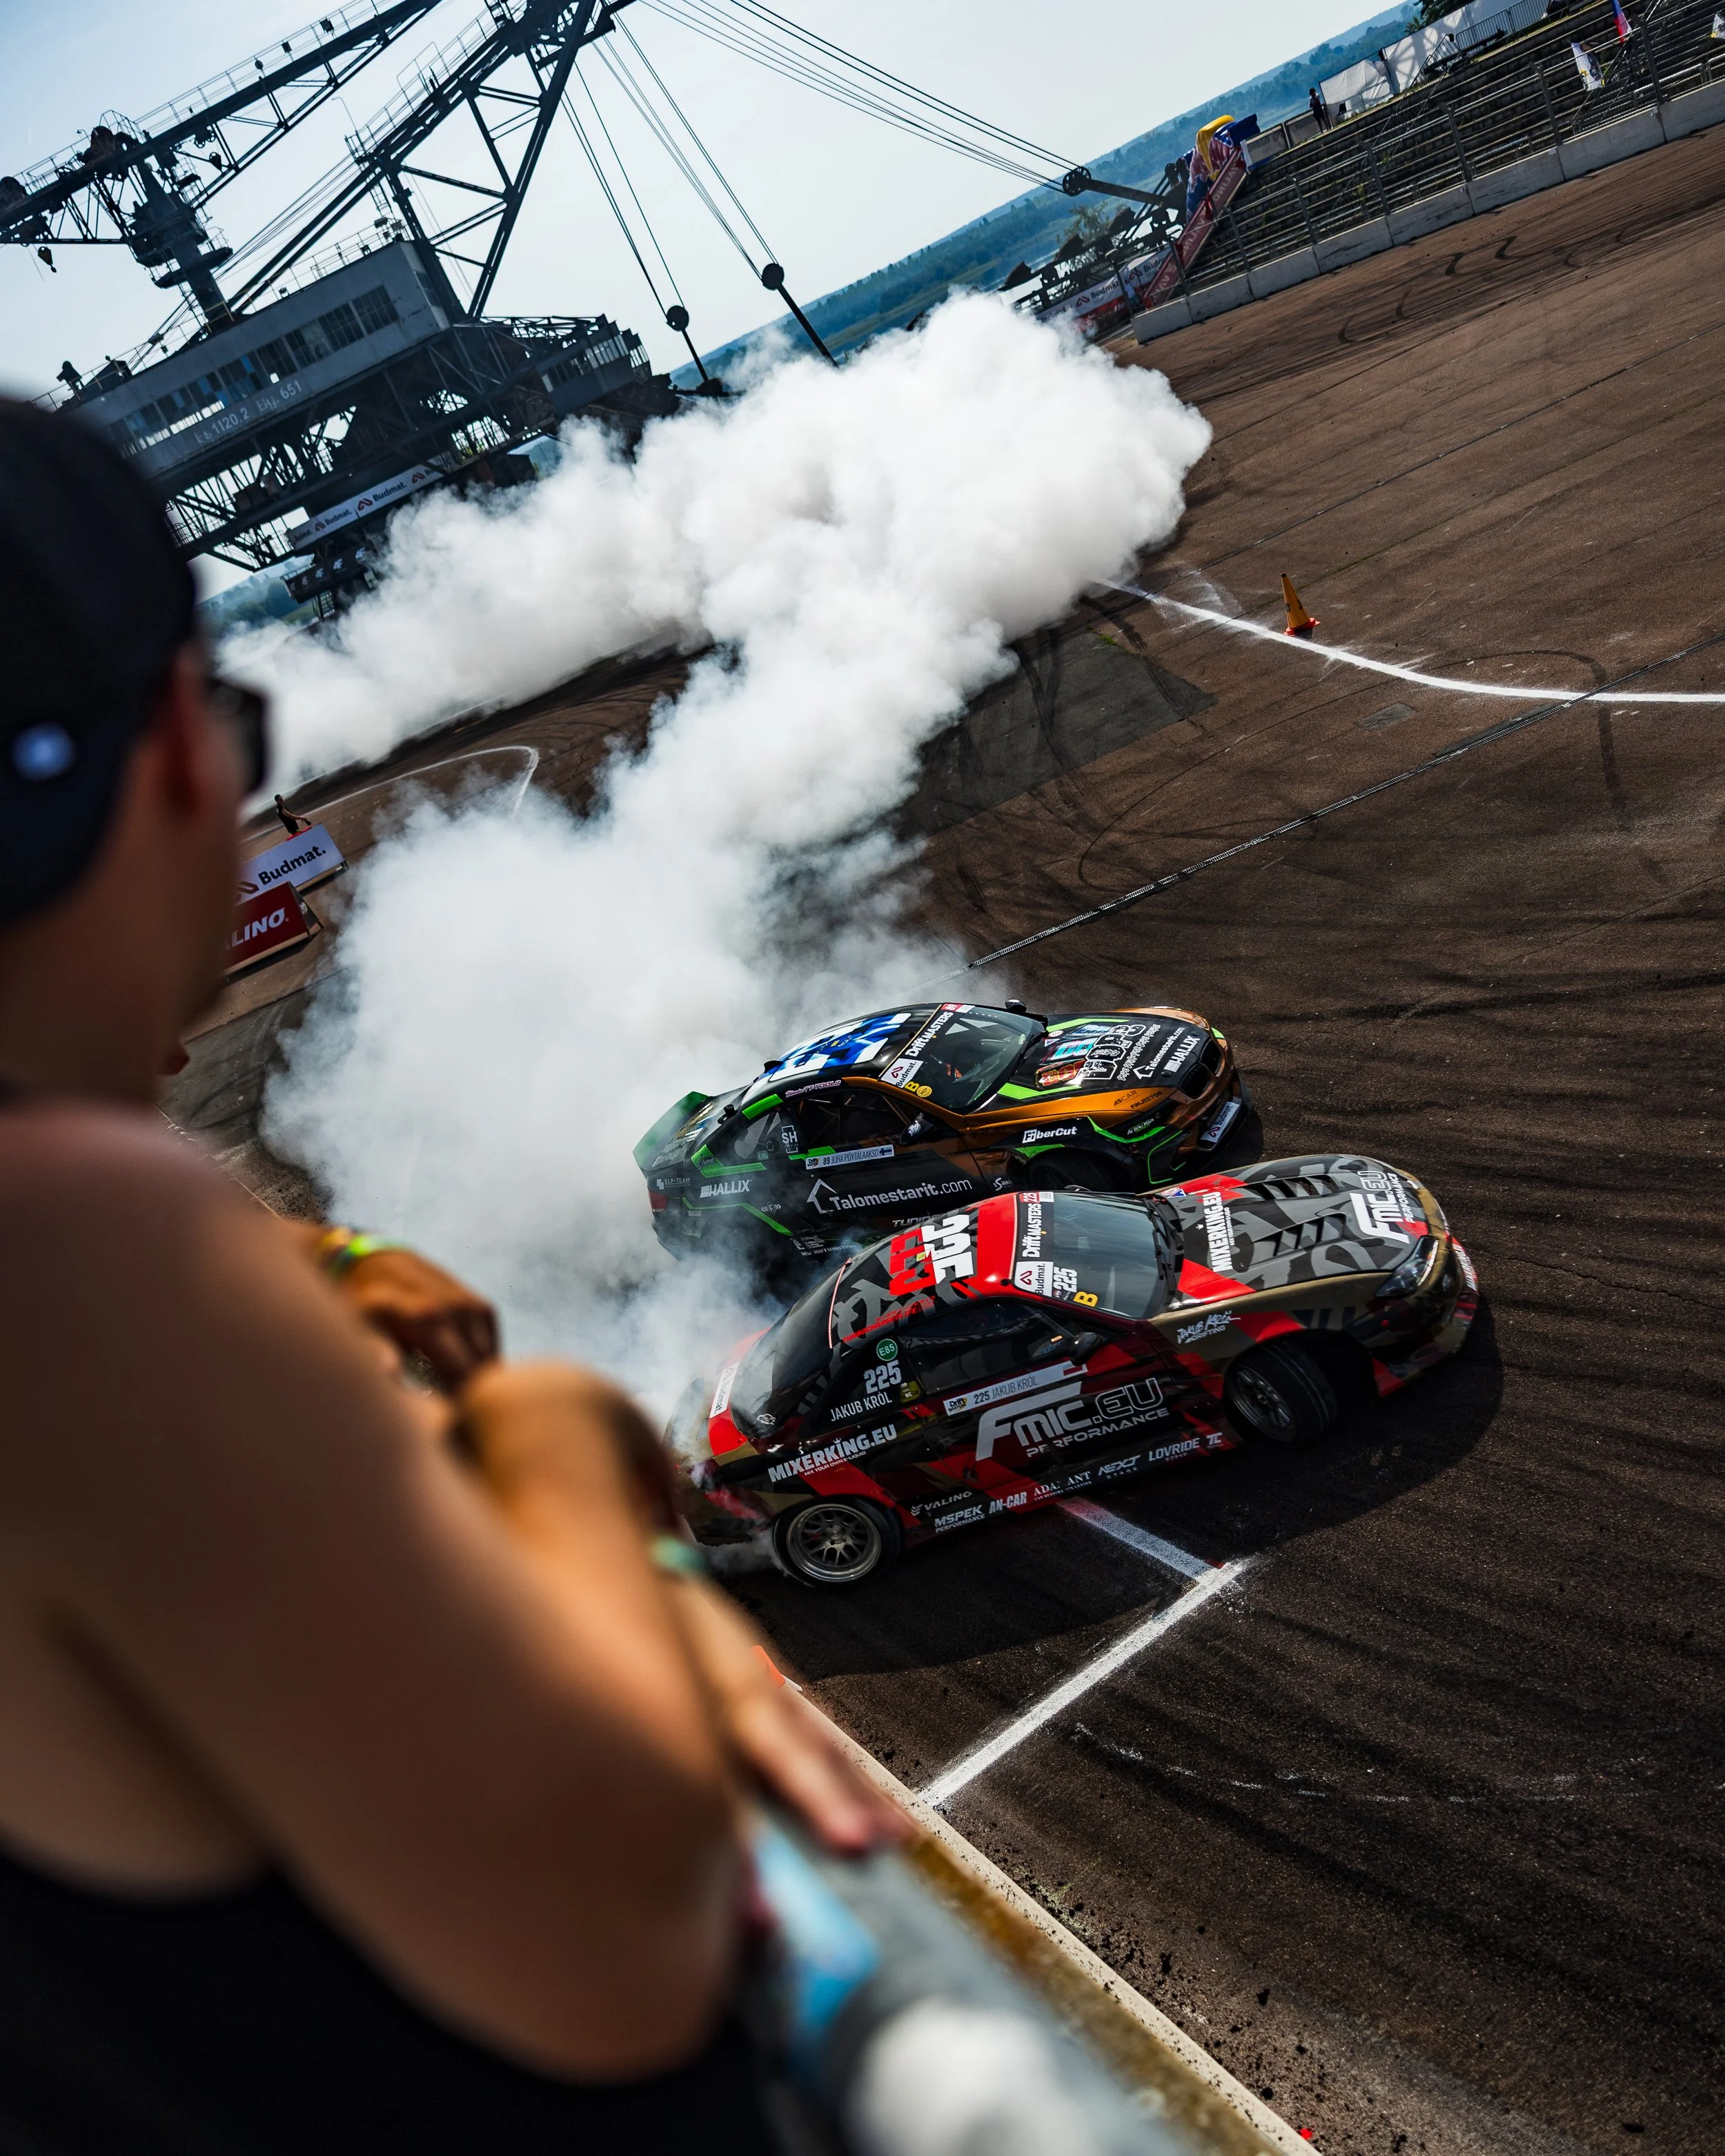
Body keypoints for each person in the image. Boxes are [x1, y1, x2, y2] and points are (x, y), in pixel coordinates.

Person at [0, 399, 898, 2153]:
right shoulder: (75, 1251)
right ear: (168, 757)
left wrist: (305, 1256)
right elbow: (615, 1934)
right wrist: (564, 1459)